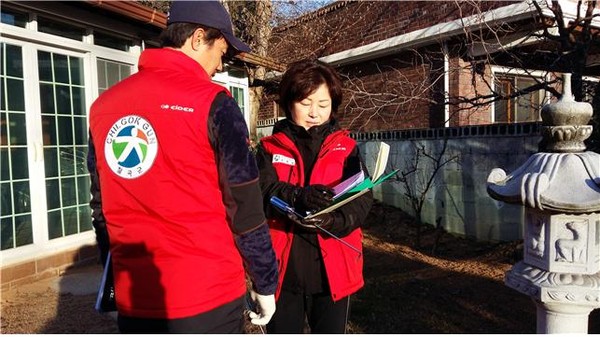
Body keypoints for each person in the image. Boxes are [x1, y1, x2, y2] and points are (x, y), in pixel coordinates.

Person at [87, 0, 278, 333]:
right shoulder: (214, 102)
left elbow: (101, 208)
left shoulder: (103, 107)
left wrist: (115, 278)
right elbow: (245, 206)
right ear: (197, 38)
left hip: (138, 299)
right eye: (221, 52)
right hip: (208, 295)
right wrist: (265, 280)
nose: (220, 66)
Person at [256, 59, 373, 333]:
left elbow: (362, 198)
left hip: (333, 271)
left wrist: (334, 220)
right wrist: (297, 196)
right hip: (283, 271)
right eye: (306, 103)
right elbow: (260, 191)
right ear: (289, 103)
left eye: (323, 105)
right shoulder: (270, 149)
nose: (314, 113)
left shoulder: (346, 148)